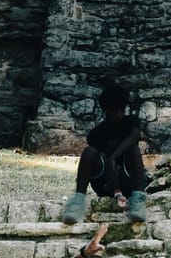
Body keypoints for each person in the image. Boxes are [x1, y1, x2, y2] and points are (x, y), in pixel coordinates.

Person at [62, 84, 150, 224]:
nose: (118, 114)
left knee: (133, 148)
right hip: (106, 182)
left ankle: (138, 199)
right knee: (89, 152)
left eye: (121, 110)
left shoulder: (131, 123)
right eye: (114, 111)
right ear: (105, 110)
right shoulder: (97, 134)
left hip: (130, 180)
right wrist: (116, 191)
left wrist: (113, 157)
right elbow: (103, 162)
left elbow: (133, 137)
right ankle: (78, 202)